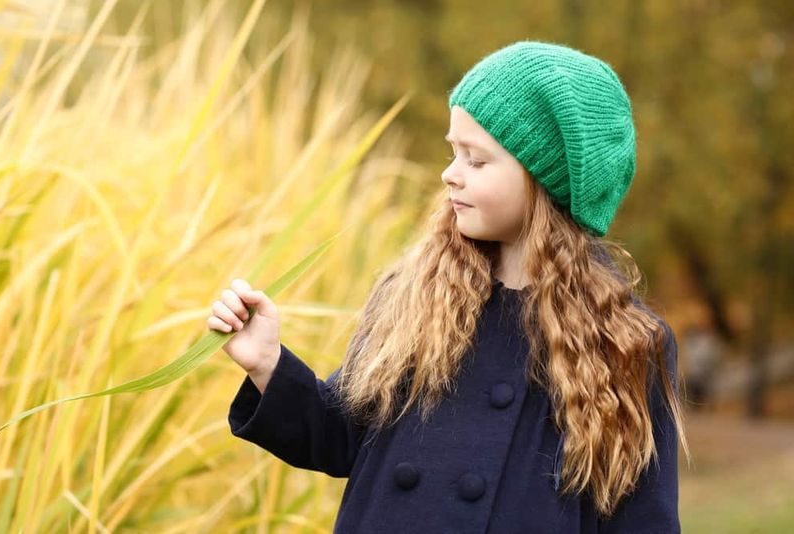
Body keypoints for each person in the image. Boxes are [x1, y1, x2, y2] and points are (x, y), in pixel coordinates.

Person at [208, 40, 690, 533]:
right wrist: (268, 364)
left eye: (476, 161)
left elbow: (643, 520)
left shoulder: (625, 340)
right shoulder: (415, 295)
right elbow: (339, 438)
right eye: (452, 152)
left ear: (546, 180)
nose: (449, 174)